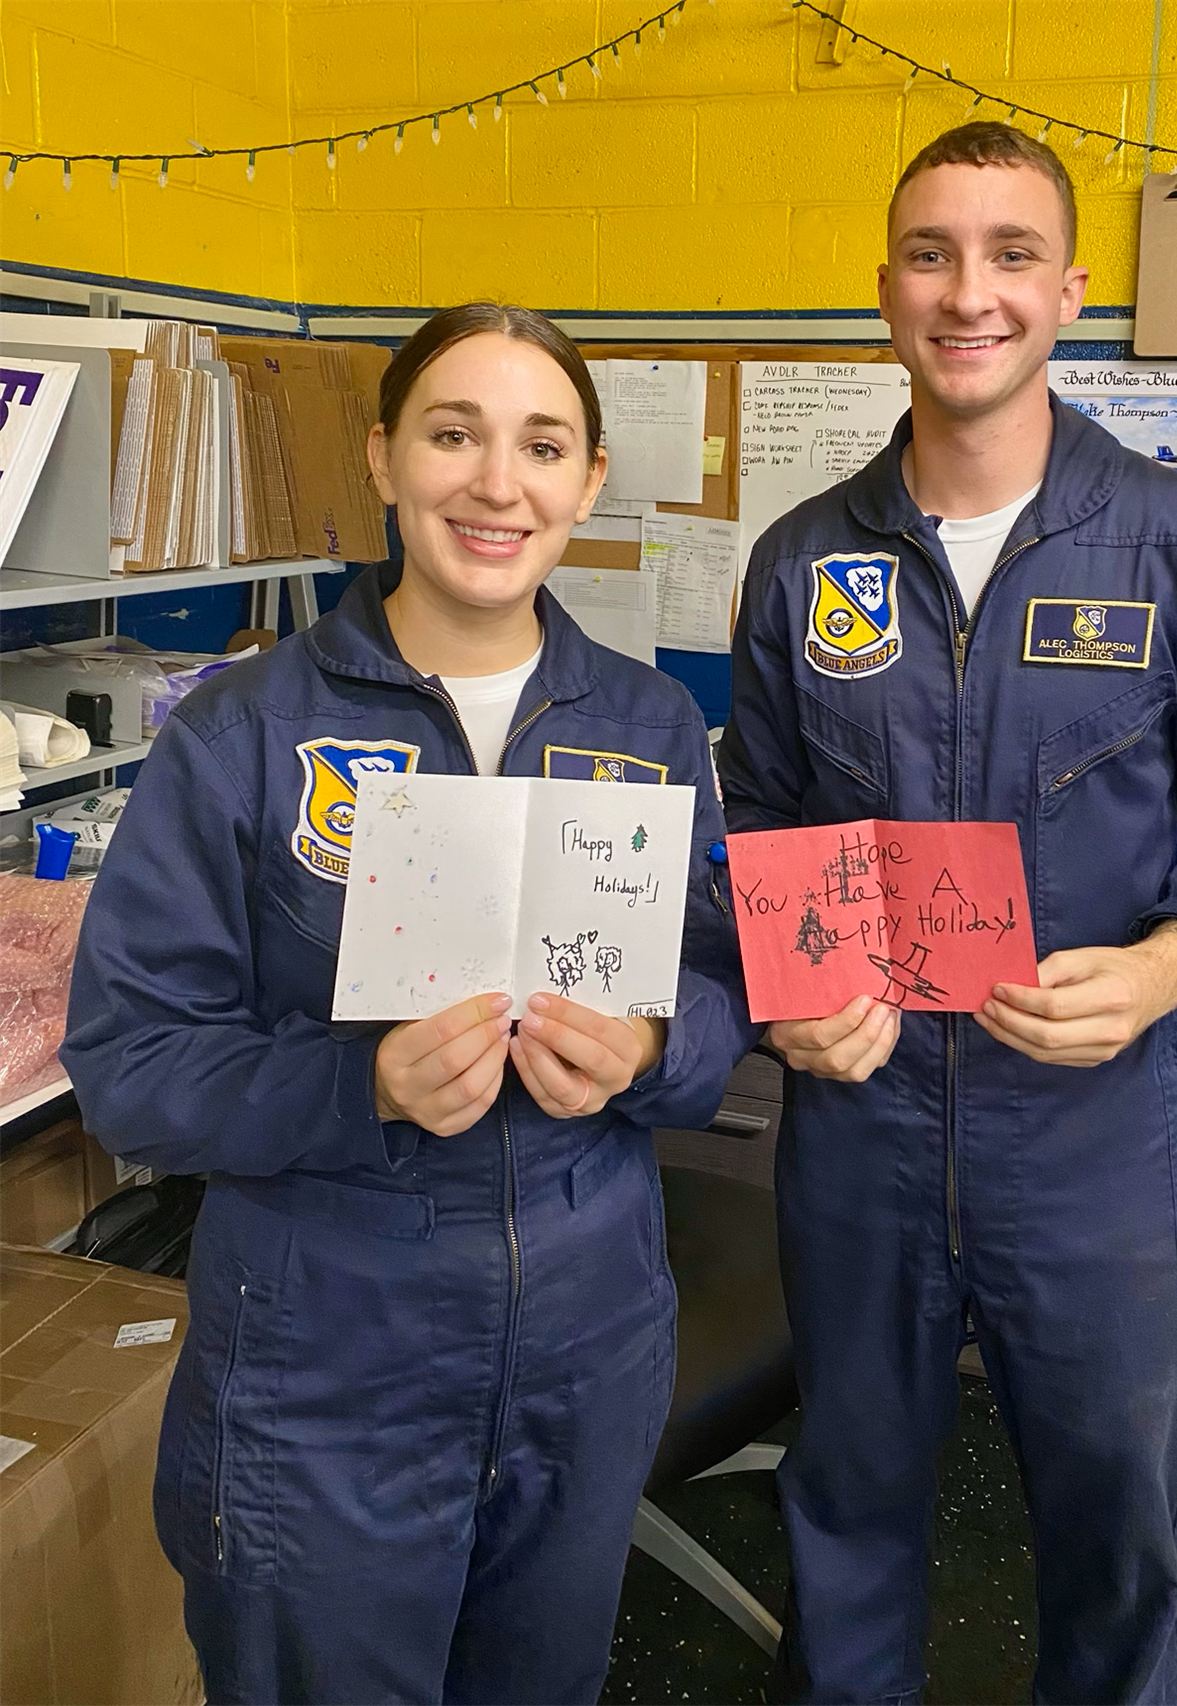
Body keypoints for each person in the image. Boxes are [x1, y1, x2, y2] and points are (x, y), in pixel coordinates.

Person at [719, 122, 1177, 1706]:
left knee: (1117, 1539)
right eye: (932, 253)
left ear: (1069, 290)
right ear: (886, 291)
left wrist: (1171, 964)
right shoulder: (801, 564)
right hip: (860, 1135)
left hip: (1090, 1144)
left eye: (1008, 255)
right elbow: (766, 829)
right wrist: (786, 989)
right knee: (844, 1513)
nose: (968, 291)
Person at [62, 303, 750, 1706]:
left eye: (541, 445)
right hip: (326, 1354)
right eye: (454, 433)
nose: (498, 483)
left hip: (589, 1330)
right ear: (384, 458)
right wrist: (358, 1084)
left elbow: (729, 986)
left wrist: (654, 1041)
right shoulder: (243, 730)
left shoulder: (647, 721)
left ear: (587, 482)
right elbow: (129, 1062)